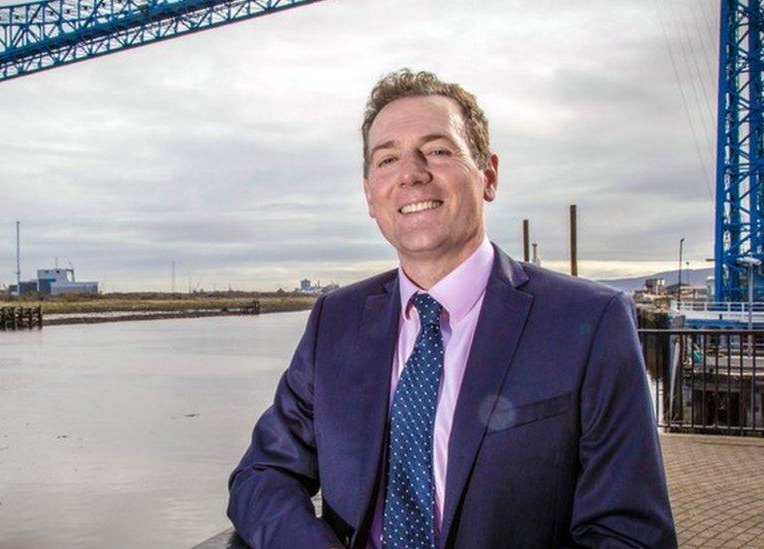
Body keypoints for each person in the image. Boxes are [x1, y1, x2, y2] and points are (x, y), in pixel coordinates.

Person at [227, 69, 676, 548]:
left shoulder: (590, 321)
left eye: (437, 150)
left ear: (489, 175)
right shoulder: (334, 321)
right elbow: (261, 475)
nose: (411, 173)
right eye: (387, 159)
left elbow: (630, 534)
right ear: (369, 196)